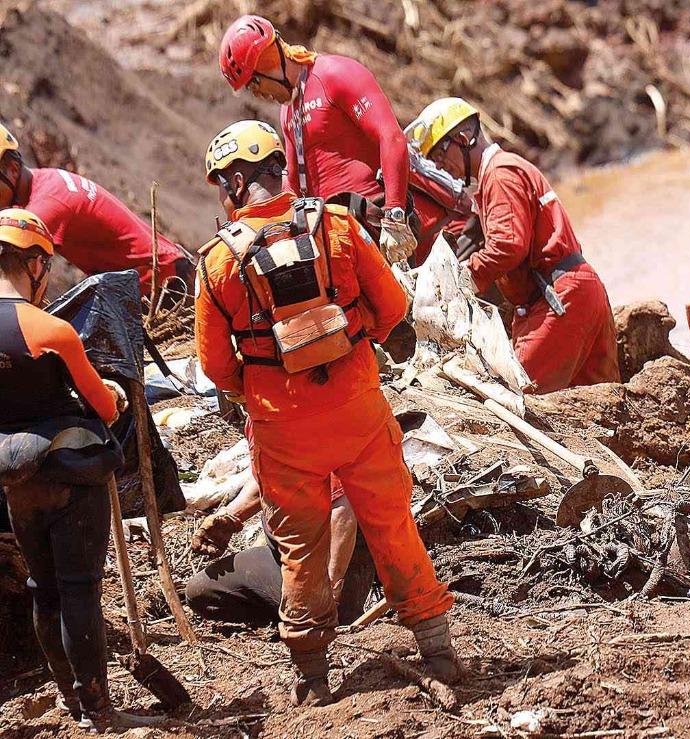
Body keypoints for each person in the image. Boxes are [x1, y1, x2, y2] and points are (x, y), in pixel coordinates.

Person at [194, 120, 458, 706]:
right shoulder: (336, 224)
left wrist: (262, 389)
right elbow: (392, 308)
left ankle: (314, 681)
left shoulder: (216, 262)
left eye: (222, 185)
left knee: (300, 551)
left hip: (282, 428)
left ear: (235, 182)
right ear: (277, 169)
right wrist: (352, 353)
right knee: (393, 527)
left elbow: (215, 367)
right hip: (357, 408)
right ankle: (439, 653)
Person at [0, 208, 159, 731]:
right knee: (78, 589)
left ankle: (70, 700)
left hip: (16, 482)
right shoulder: (52, 330)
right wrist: (110, 392)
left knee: (43, 590)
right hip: (69, 477)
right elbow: (106, 407)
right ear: (35, 264)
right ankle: (98, 709)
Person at [405, 97, 621, 393]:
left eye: (441, 156)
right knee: (603, 401)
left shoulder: (499, 175)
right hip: (577, 291)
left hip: (557, 300)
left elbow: (507, 245)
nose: (442, 167)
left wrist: (463, 279)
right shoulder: (505, 171)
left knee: (520, 396)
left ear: (464, 138)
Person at [217, 14, 470, 265]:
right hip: (335, 237)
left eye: (254, 84)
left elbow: (391, 136)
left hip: (376, 223)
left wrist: (394, 214)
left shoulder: (334, 75)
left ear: (267, 62)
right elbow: (294, 184)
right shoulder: (288, 112)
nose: (258, 94)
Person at [0, 121, 193, 297]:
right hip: (157, 271)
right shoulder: (45, 180)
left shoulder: (45, 207)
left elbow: (19, 281)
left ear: (13, 169)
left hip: (161, 282)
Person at [187, 474, 375, 627]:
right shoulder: (267, 438)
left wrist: (329, 589)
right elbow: (265, 470)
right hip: (283, 555)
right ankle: (291, 611)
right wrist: (231, 516)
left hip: (333, 561)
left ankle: (319, 615)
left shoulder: (321, 441)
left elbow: (342, 509)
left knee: (324, 622)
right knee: (203, 592)